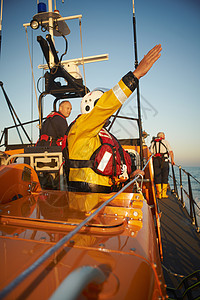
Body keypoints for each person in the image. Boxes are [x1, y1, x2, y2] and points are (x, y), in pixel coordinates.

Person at [65, 44, 162, 193]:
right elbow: (108, 104)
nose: (108, 114)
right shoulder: (81, 126)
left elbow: (114, 162)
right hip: (87, 200)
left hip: (109, 195)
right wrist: (135, 76)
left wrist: (130, 175)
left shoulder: (104, 135)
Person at [150, 132, 175, 199]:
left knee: (157, 176)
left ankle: (159, 194)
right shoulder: (165, 142)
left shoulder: (153, 143)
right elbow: (171, 152)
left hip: (156, 161)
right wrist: (172, 160)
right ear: (162, 136)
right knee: (165, 175)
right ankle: (164, 194)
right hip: (164, 160)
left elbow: (151, 152)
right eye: (164, 135)